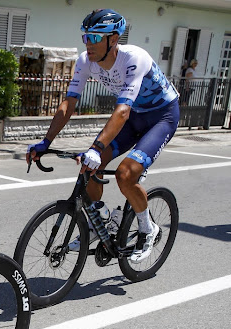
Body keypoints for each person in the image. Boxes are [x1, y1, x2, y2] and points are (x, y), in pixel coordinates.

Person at [26, 9, 179, 262]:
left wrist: (96, 148)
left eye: (96, 37)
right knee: (88, 169)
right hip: (133, 116)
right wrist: (46, 142)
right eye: (86, 37)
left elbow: (121, 110)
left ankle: (147, 228)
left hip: (161, 116)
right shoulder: (85, 61)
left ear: (114, 39)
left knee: (125, 174)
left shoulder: (134, 58)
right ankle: (102, 224)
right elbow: (69, 104)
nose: (89, 43)